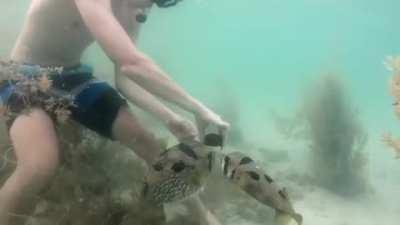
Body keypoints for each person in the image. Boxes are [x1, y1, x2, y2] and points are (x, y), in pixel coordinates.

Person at [0, 0, 230, 224]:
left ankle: (201, 214)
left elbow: (125, 78)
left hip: (75, 78)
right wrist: (198, 109)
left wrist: (169, 117)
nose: (151, 5)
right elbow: (132, 63)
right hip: (23, 77)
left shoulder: (133, 8)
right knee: (38, 166)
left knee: (150, 145)